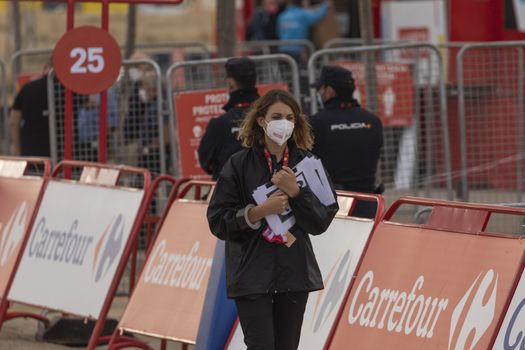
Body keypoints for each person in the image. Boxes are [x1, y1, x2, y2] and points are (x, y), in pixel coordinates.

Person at [207, 89, 338, 350]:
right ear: (261, 120)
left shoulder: (308, 163)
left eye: (290, 117)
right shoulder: (238, 164)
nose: (284, 123)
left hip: (294, 275)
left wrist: (296, 192)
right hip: (252, 274)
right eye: (277, 116)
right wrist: (258, 211)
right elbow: (217, 221)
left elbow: (321, 221)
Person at [310, 66, 384, 218]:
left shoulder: (316, 122)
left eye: (320, 89)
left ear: (329, 90)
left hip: (333, 205)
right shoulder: (373, 121)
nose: (319, 93)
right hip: (369, 203)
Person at [198, 57, 260, 180]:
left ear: (230, 83)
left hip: (229, 194)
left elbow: (206, 162)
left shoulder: (220, 124)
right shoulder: (271, 117)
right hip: (270, 193)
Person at [8, 65, 52, 157]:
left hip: (32, 154)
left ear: (45, 68)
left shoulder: (27, 88)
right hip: (67, 158)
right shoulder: (69, 90)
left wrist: (19, 151)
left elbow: (13, 122)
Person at [77, 89, 119, 162]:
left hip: (103, 141)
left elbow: (114, 119)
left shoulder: (109, 93)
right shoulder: (82, 90)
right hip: (84, 144)